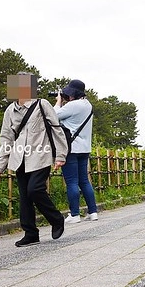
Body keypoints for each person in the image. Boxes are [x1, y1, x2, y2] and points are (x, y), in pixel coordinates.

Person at [0, 73, 68, 247]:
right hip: (19, 158)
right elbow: (6, 138)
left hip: (41, 155)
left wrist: (60, 155)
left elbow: (56, 130)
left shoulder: (43, 105)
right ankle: (31, 233)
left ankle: (56, 219)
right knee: (25, 196)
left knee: (35, 190)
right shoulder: (10, 111)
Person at [53, 79, 98, 224]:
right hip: (85, 148)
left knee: (71, 181)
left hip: (71, 148)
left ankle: (74, 214)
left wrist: (59, 101)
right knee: (84, 181)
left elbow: (53, 115)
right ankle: (93, 212)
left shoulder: (73, 105)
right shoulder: (87, 105)